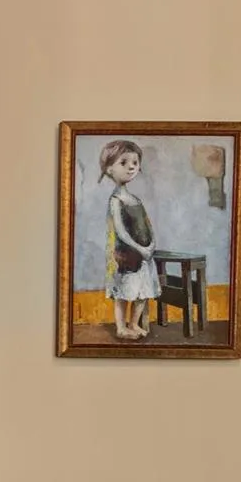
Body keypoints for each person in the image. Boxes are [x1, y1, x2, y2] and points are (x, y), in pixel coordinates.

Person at [99, 140, 158, 340]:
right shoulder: (116, 200)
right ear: (109, 169)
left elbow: (148, 225)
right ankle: (121, 328)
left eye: (135, 162)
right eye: (124, 163)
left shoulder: (137, 200)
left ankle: (134, 324)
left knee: (143, 292)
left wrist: (151, 246)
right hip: (126, 256)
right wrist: (139, 249)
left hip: (144, 256)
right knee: (123, 293)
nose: (132, 166)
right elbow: (121, 232)